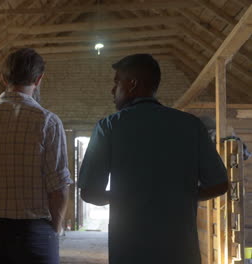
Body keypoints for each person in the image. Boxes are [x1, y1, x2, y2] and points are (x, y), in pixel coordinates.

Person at [77, 54, 228, 264]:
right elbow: (220, 185)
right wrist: (180, 197)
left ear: (132, 84)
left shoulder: (109, 127)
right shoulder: (191, 126)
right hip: (181, 253)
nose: (113, 90)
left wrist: (126, 196)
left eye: (116, 82)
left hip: (129, 251)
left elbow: (90, 193)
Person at [0, 48, 72, 264]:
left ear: (3, 78)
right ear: (39, 79)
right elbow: (59, 187)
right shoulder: (48, 121)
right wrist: (55, 227)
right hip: (35, 234)